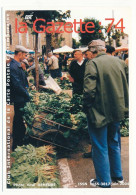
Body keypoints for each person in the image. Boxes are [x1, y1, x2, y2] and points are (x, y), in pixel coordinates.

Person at [83, 39, 128, 188]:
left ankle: (104, 181)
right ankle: (117, 176)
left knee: (100, 146)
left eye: (88, 51)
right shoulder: (119, 62)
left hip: (99, 111)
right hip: (117, 110)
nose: (87, 54)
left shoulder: (93, 63)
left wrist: (86, 107)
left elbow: (89, 91)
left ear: (93, 50)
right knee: (114, 142)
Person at [9, 45, 30, 151]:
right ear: (20, 54)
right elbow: (17, 85)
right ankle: (17, 144)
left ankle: (20, 141)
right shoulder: (13, 66)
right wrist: (27, 95)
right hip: (19, 98)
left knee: (20, 120)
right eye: (25, 55)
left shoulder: (18, 65)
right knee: (18, 120)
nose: (25, 57)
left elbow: (23, 81)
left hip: (21, 97)